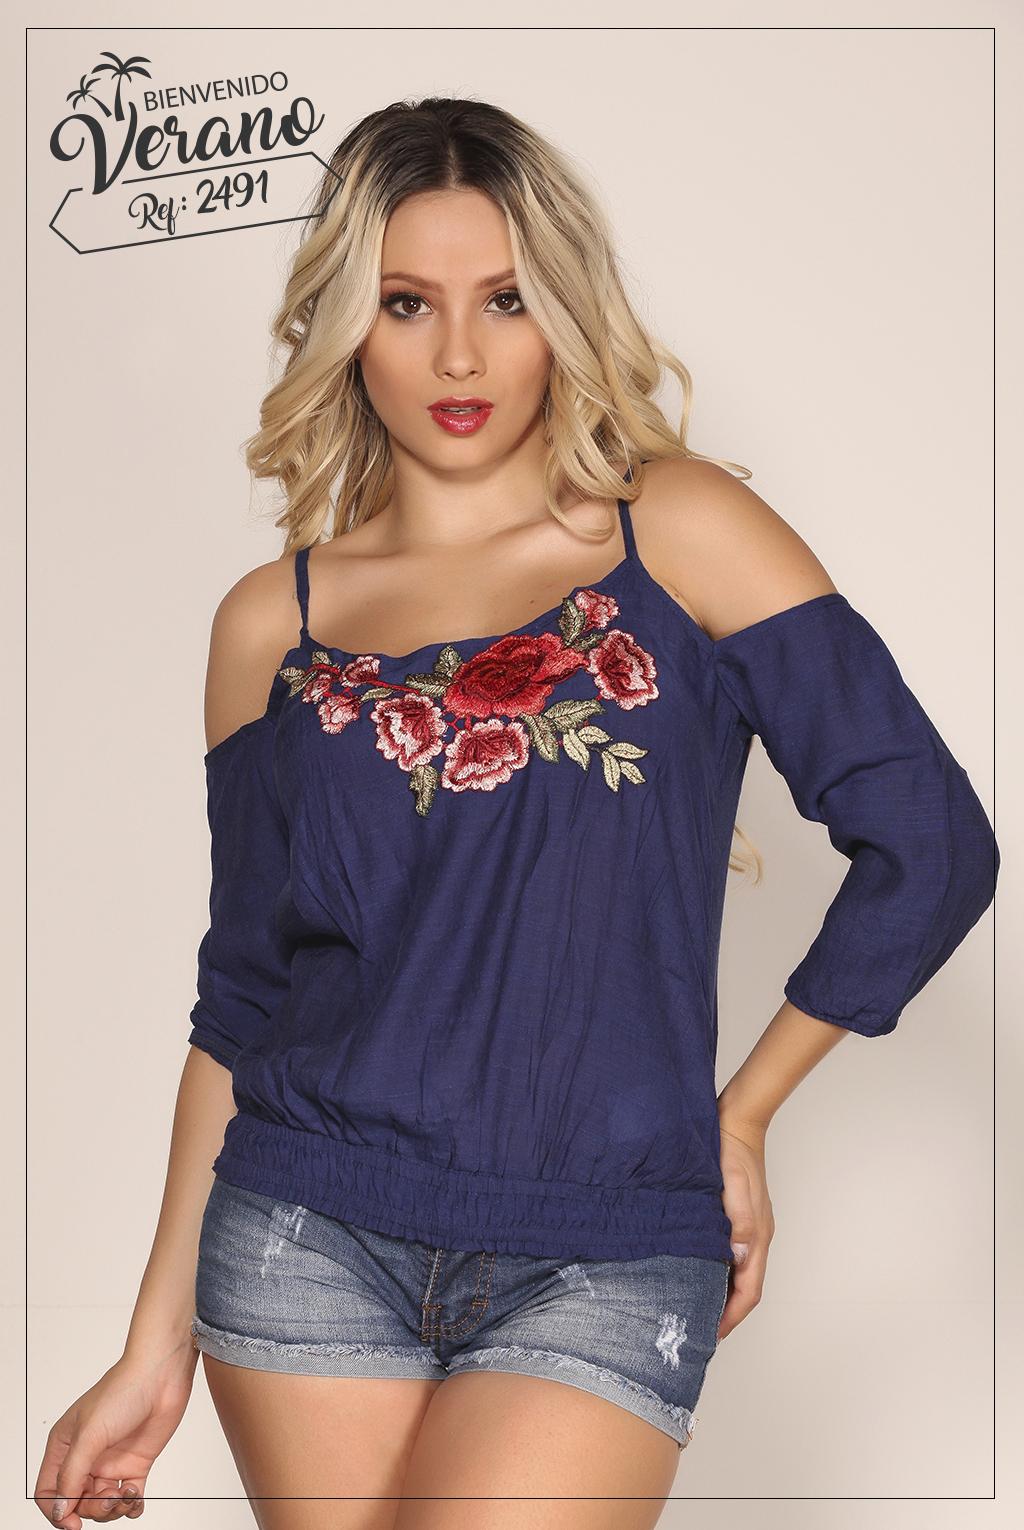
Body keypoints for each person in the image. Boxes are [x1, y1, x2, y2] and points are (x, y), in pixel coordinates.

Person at [35, 96, 999, 1530]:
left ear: (564, 310)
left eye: (505, 299)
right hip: (303, 1229)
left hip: (609, 1244)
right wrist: (152, 1341)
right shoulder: (270, 627)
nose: (460, 356)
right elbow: (241, 1001)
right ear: (347, 325)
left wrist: (742, 1116)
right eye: (407, 303)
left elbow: (930, 838)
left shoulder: (680, 534)